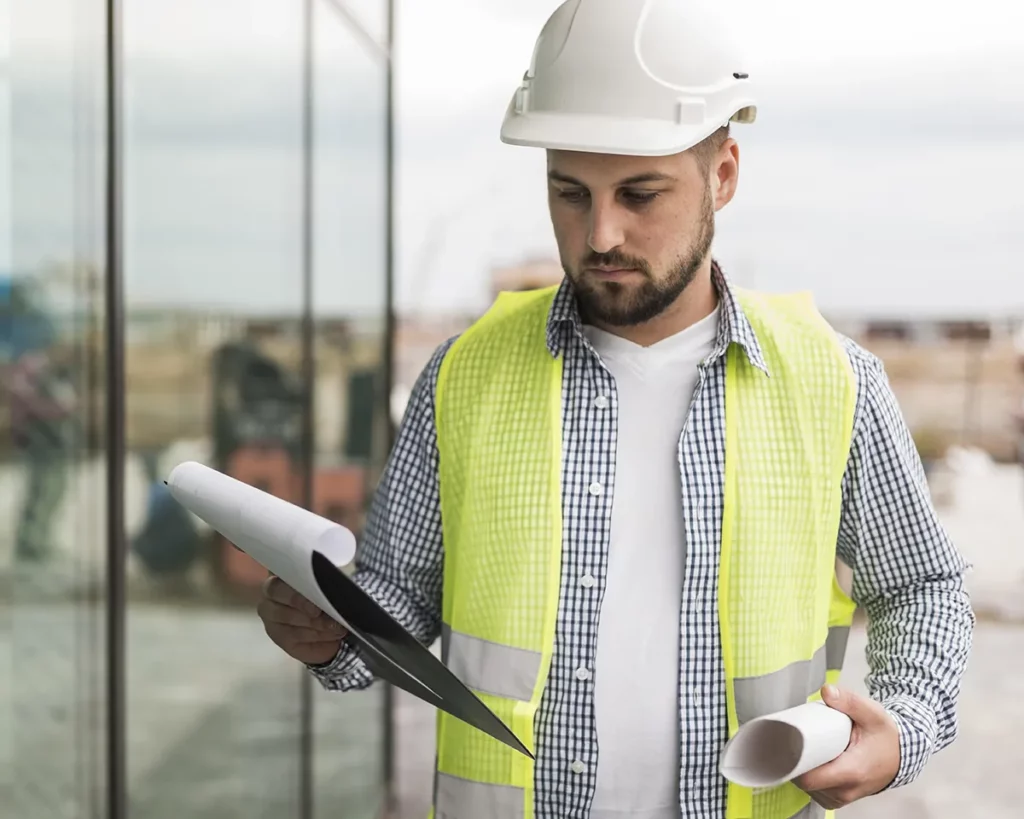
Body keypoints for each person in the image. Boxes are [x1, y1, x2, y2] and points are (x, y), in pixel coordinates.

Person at [257, 1, 974, 816]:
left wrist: (905, 725)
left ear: (724, 175)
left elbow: (923, 583)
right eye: (570, 193)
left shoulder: (832, 381)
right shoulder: (463, 376)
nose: (600, 234)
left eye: (640, 194)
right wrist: (331, 631)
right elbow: (398, 597)